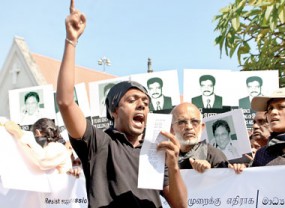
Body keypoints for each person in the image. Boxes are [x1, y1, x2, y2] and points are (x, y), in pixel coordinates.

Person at [56, 1, 187, 207]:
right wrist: (71, 41)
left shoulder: (155, 150)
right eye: (132, 100)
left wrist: (173, 166)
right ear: (114, 110)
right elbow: (65, 102)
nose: (142, 105)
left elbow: (181, 205)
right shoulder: (99, 144)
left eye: (145, 102)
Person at [4, 118, 80, 177]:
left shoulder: (56, 148)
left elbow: (43, 162)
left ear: (38, 132)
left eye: (34, 135)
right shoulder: (56, 147)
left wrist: (19, 134)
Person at [250, 86, 285, 171]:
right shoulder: (261, 154)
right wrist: (238, 170)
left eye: (281, 107)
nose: (273, 112)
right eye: (270, 108)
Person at [170, 102, 229, 173]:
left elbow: (226, 181)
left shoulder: (214, 155)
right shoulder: (165, 156)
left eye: (194, 122)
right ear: (171, 129)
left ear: (202, 127)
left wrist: (209, 173)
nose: (189, 127)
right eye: (182, 122)